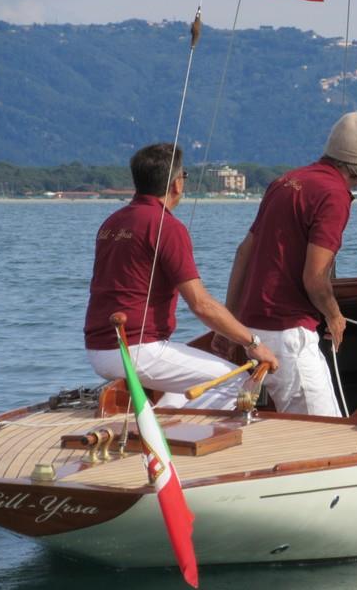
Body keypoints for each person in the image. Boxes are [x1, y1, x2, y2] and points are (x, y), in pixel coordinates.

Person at [84, 142, 278, 408]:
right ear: (176, 184)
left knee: (195, 385)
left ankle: (163, 425)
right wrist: (252, 342)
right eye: (183, 177)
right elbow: (201, 304)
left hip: (98, 349)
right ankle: (178, 442)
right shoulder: (166, 226)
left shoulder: (112, 223)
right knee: (235, 382)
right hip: (137, 350)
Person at [217, 112, 357, 416]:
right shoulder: (334, 195)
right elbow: (315, 278)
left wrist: (230, 323)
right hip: (288, 334)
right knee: (323, 432)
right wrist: (334, 316)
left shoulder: (285, 181)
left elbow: (243, 254)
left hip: (253, 328)